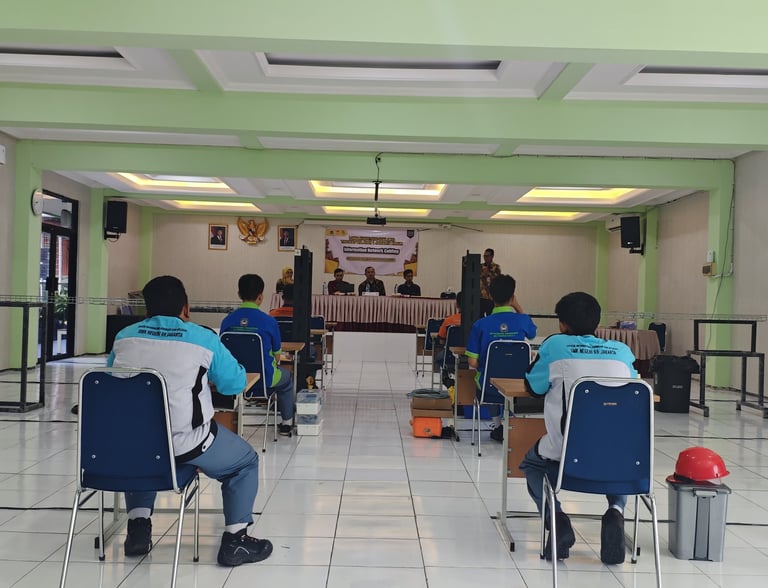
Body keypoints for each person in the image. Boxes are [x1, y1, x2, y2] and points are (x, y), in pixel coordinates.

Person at [108, 275, 273, 567]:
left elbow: (112, 379)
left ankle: (138, 527)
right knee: (245, 462)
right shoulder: (202, 338)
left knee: (146, 442)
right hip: (188, 443)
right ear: (186, 308)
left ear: (147, 309)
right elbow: (234, 384)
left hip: (132, 446)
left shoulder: (124, 337)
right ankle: (236, 540)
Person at [520, 291, 638, 565]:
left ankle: (557, 519)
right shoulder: (622, 352)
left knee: (531, 465)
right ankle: (616, 511)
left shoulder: (555, 345)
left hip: (567, 455)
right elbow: (633, 389)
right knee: (615, 456)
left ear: (562, 324)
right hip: (621, 457)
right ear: (598, 323)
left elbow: (534, 387)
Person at [220, 274, 296, 437]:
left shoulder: (227, 321)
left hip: (236, 379)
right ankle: (286, 423)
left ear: (239, 294)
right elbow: (277, 357)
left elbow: (223, 354)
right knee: (287, 379)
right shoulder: (269, 321)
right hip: (265, 380)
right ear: (261, 296)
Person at [465, 274, 536, 442]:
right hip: (518, 385)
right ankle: (512, 425)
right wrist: (518, 307)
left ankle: (497, 426)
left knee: (487, 379)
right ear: (512, 297)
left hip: (489, 387)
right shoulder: (523, 320)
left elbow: (472, 362)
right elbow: (532, 334)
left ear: (490, 296)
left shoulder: (480, 324)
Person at [268, 284, 318, 361]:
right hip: (299, 347)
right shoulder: (303, 316)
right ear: (299, 297)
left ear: (282, 297)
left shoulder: (272, 314)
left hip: (276, 347)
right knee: (312, 351)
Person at [434, 292, 462, 384]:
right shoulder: (476, 321)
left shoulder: (448, 320)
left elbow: (441, 341)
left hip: (449, 356)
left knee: (439, 357)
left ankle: (446, 379)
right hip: (471, 357)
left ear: (457, 304)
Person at [480, 248, 501, 316]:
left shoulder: (496, 267)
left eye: (487, 256)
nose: (485, 258)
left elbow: (498, 280)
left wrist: (488, 274)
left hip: (491, 297)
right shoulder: (480, 266)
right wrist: (482, 275)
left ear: (492, 256)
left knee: (491, 316)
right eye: (484, 256)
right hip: (481, 296)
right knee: (480, 316)